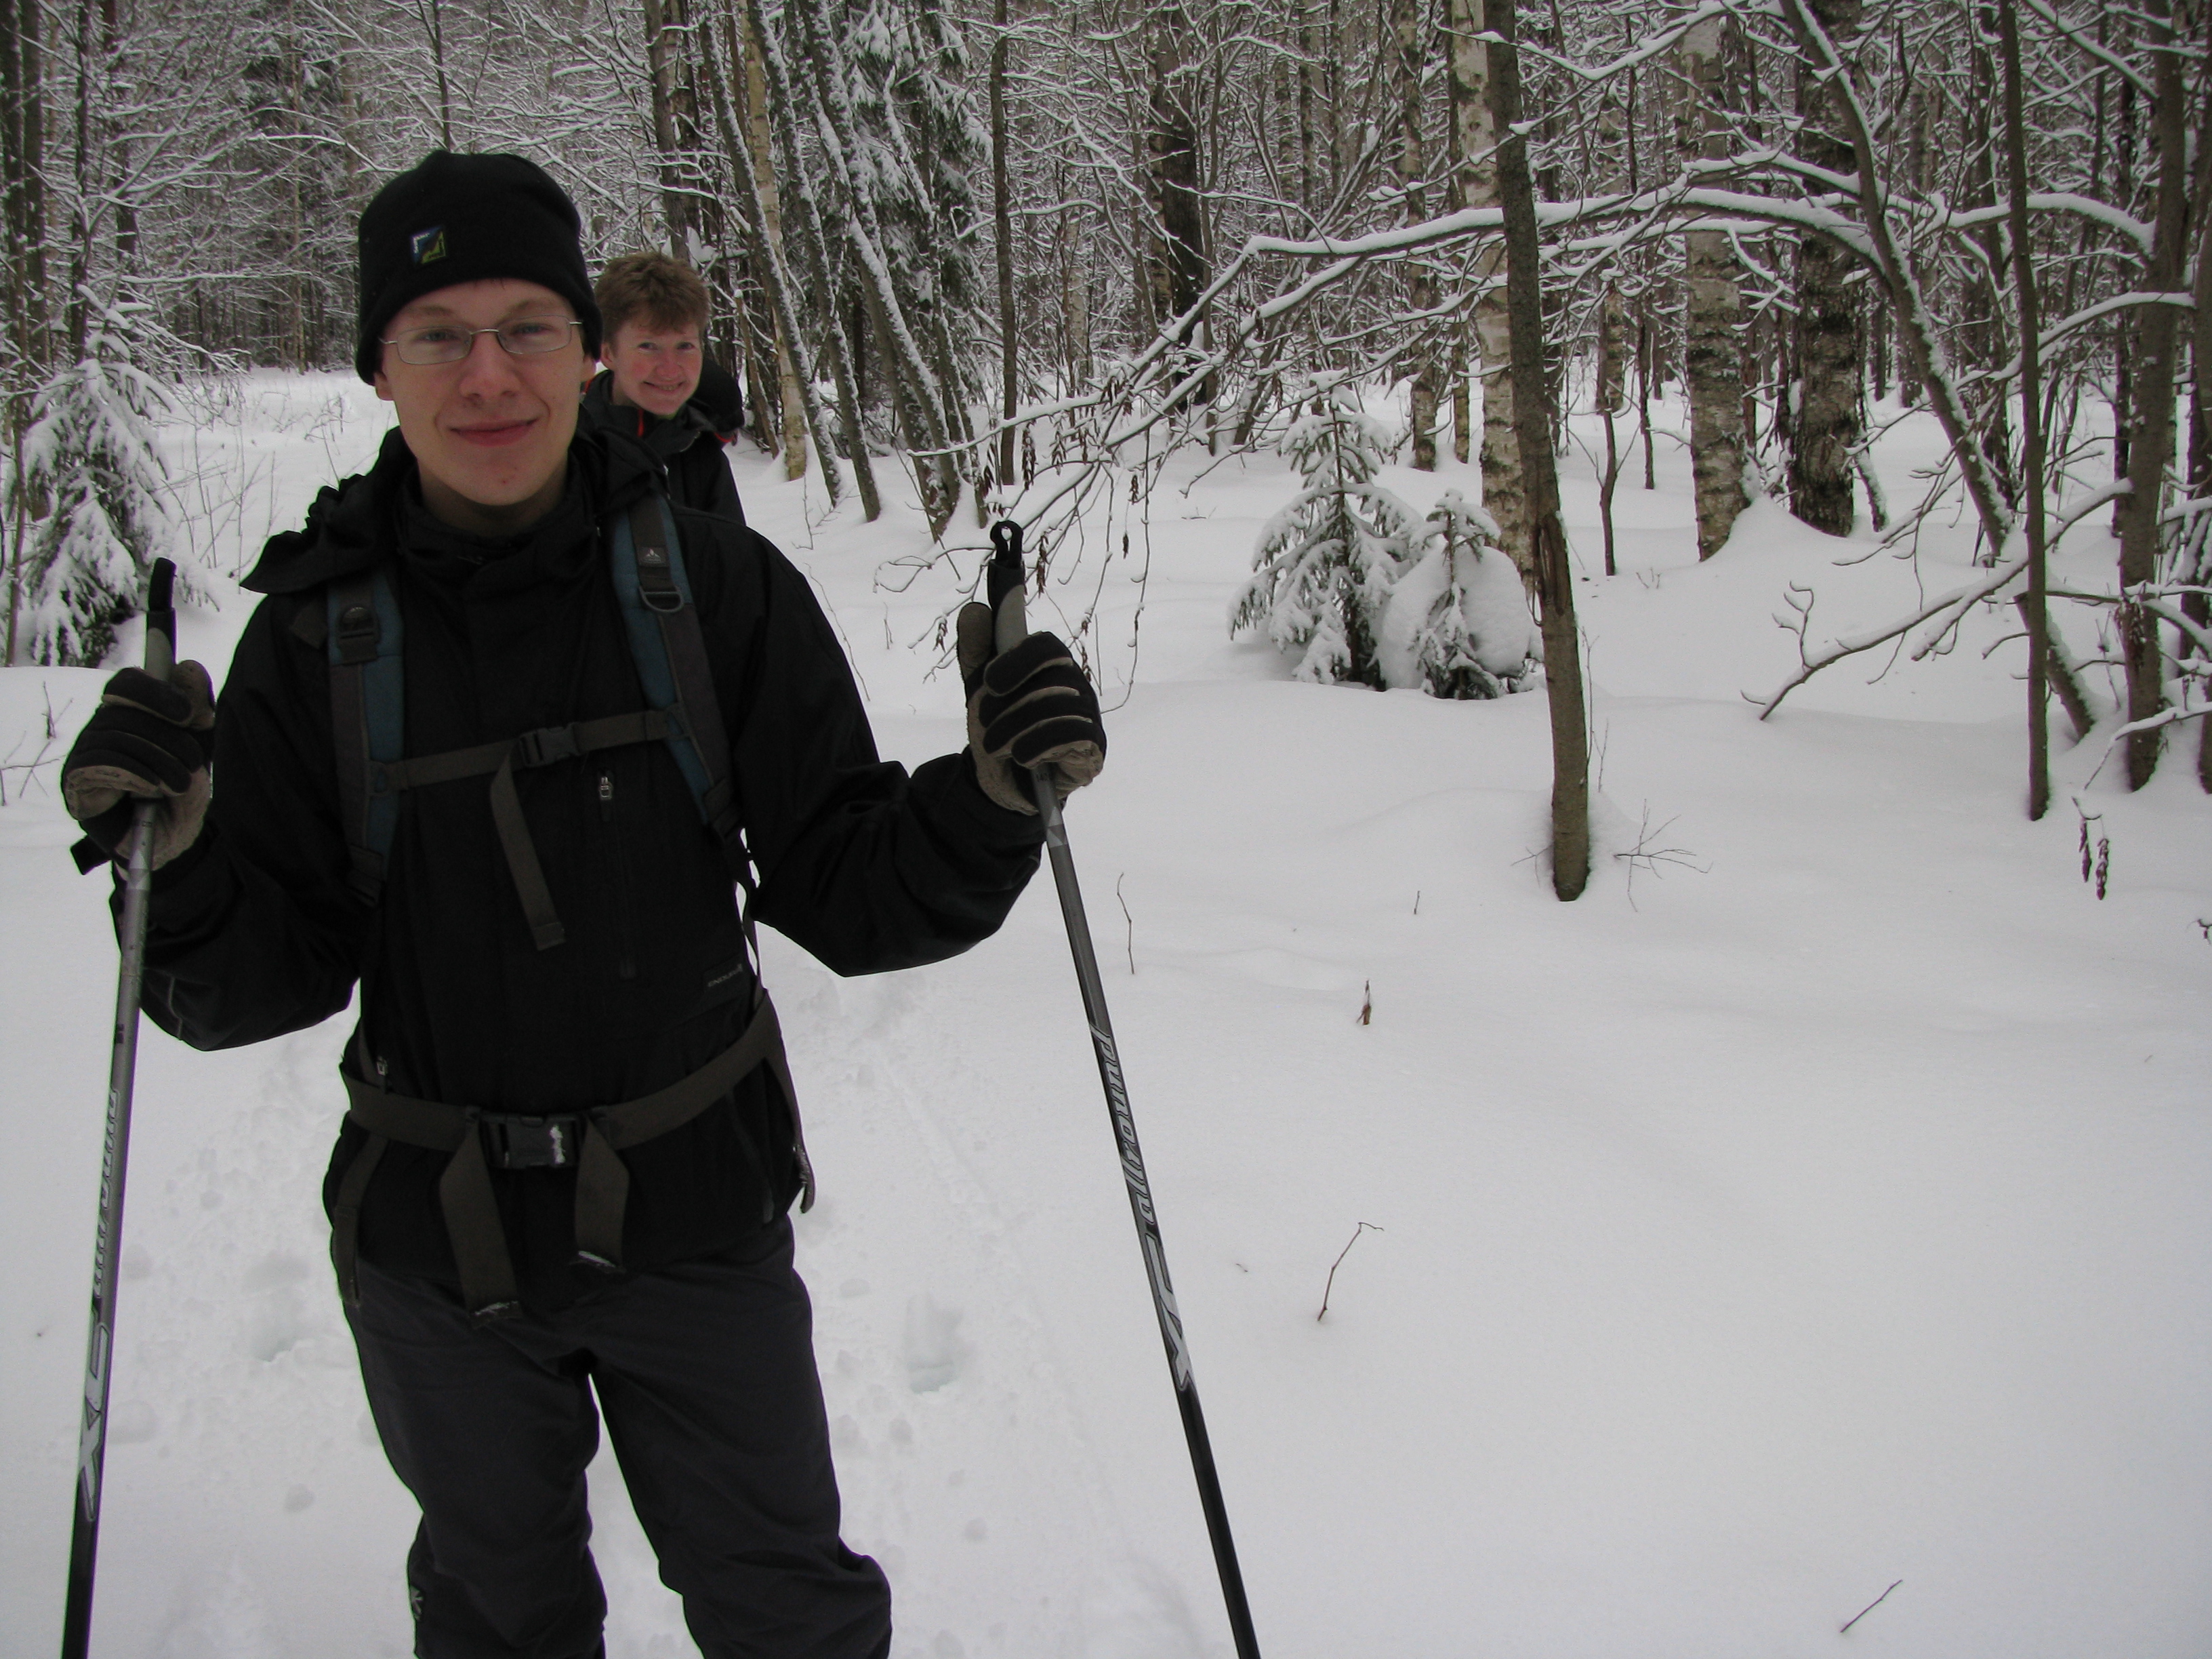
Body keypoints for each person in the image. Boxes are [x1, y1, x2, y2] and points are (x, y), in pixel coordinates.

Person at [59, 149, 1105, 1659]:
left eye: (526, 328)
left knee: (786, 1610)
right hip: (436, 1258)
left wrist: (993, 799)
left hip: (698, 1221)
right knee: (499, 1619)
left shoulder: (712, 586)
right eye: (438, 334)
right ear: (379, 367)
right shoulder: (316, 637)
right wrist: (174, 861)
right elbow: (254, 986)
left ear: (584, 352)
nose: (487, 374)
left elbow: (848, 884)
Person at [582, 250, 746, 523]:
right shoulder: (568, 447)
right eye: (648, 346)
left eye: (684, 346)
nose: (670, 370)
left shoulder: (700, 457)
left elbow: (731, 548)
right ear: (608, 353)